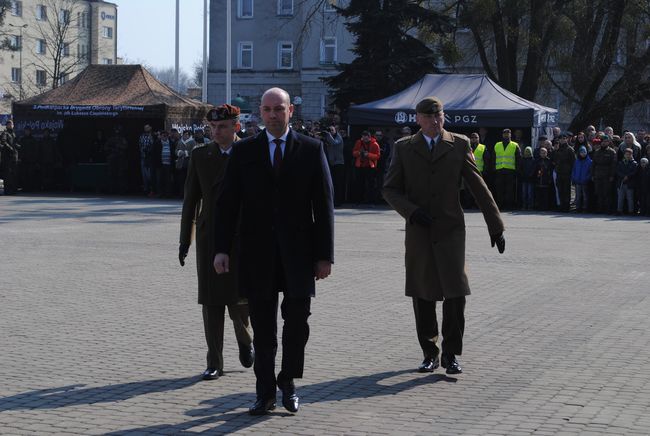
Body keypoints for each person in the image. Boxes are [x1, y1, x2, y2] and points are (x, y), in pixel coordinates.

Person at [213, 87, 334, 415]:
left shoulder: (311, 149)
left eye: (278, 109)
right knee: (264, 331)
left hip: (299, 256)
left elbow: (323, 207)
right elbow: (227, 205)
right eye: (266, 109)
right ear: (260, 112)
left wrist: (325, 256)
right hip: (257, 255)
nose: (272, 114)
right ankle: (264, 392)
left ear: (290, 111)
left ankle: (288, 381)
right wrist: (220, 249)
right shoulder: (245, 152)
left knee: (297, 326)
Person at [383, 96, 505, 377]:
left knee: (456, 292)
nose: (436, 122)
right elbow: (390, 189)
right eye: (429, 117)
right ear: (418, 120)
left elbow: (478, 185)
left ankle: (451, 353)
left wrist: (495, 225)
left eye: (439, 116)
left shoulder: (459, 144)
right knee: (422, 292)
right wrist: (411, 213)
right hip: (419, 231)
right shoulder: (404, 148)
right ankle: (429, 352)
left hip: (451, 230)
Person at [180, 105, 254, 382]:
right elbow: (190, 200)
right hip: (210, 236)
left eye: (222, 127)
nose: (216, 132)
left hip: (242, 234)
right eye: (212, 127)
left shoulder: (249, 152)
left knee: (240, 299)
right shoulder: (201, 155)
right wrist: (184, 240)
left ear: (236, 127)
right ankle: (215, 362)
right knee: (211, 302)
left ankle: (246, 341)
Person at [493, 128, 521, 210]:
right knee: (499, 189)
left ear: (510, 135)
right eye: (504, 133)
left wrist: (517, 170)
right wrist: (494, 169)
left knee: (510, 190)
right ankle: (500, 205)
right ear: (502, 135)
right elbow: (493, 158)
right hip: (499, 170)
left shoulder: (515, 145)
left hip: (510, 171)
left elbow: (519, 159)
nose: (506, 135)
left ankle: (509, 205)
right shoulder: (497, 145)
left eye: (508, 133)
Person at [352, 130, 380, 204]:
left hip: (370, 167)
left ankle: (371, 201)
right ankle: (358, 200)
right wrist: (359, 153)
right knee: (359, 184)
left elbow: (377, 156)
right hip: (359, 166)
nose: (364, 139)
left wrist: (368, 155)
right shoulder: (358, 142)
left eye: (366, 138)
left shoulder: (375, 144)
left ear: (369, 137)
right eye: (363, 137)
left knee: (371, 185)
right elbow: (354, 153)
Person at [592, 135, 617, 214]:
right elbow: (593, 165)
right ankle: (600, 208)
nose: (604, 143)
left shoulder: (612, 152)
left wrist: (612, 175)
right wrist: (592, 175)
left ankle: (607, 209)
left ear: (609, 142)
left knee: (607, 193)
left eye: (606, 141)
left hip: (607, 175)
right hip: (598, 174)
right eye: (603, 141)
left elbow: (613, 165)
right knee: (598, 192)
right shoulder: (597, 152)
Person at [552, 132, 576, 212]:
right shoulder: (558, 150)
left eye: (564, 139)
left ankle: (566, 207)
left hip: (567, 173)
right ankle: (562, 206)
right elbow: (554, 160)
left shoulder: (570, 149)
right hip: (559, 173)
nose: (563, 140)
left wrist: (571, 172)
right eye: (561, 139)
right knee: (560, 190)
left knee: (567, 190)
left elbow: (573, 162)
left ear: (567, 139)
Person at [323, 125, 345, 207]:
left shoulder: (338, 137)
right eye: (329, 130)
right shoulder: (328, 137)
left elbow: (334, 143)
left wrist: (328, 135)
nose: (330, 132)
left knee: (338, 183)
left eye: (332, 130)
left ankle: (339, 201)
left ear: (335, 131)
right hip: (331, 163)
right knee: (331, 183)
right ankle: (332, 200)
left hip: (339, 163)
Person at [104, 126, 129, 194]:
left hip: (120, 159)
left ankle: (121, 190)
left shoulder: (123, 139)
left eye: (118, 130)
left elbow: (125, 147)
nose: (117, 132)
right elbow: (106, 147)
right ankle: (112, 189)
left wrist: (119, 147)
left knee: (121, 174)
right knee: (112, 174)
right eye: (116, 130)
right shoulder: (111, 139)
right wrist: (112, 150)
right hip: (113, 159)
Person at [17, 126, 40, 192]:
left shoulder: (33, 139)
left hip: (31, 161)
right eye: (25, 131)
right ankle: (25, 188)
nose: (27, 132)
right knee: (24, 175)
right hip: (24, 160)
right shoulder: (22, 139)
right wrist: (20, 158)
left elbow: (36, 150)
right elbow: (20, 150)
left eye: (28, 131)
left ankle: (31, 188)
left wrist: (35, 159)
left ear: (30, 131)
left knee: (31, 175)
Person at [616, 148, 638, 215]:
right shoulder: (620, 162)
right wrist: (623, 176)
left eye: (629, 154)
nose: (627, 155)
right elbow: (618, 171)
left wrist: (628, 176)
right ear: (624, 155)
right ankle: (619, 211)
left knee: (630, 198)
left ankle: (631, 211)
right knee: (620, 198)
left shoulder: (634, 163)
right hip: (621, 183)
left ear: (631, 155)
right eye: (626, 154)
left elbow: (634, 172)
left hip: (630, 183)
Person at [174, 130, 195, 198]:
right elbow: (176, 150)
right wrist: (179, 152)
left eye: (186, 134)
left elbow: (194, 151)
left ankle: (188, 194)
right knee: (181, 179)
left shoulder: (192, 142)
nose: (185, 136)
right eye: (184, 134)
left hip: (188, 163)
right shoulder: (180, 141)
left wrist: (186, 153)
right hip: (181, 164)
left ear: (189, 135)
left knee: (188, 180)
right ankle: (181, 193)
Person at [571, 146, 592, 212]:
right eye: (581, 152)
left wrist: (587, 178)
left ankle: (585, 208)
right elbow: (573, 170)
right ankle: (578, 208)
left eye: (584, 152)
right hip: (577, 181)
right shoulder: (576, 161)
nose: (583, 153)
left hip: (585, 181)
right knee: (578, 196)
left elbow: (590, 172)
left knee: (585, 196)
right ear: (579, 153)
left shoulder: (590, 161)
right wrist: (574, 178)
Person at [534, 146, 554, 210]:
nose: (543, 154)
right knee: (539, 194)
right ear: (540, 153)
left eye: (544, 153)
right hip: (539, 180)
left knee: (546, 195)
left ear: (547, 153)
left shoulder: (549, 161)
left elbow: (551, 171)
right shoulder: (537, 161)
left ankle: (545, 207)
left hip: (546, 180)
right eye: (542, 153)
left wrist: (550, 179)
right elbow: (535, 170)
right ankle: (539, 206)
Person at [138, 125, 155, 196]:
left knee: (150, 175)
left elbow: (153, 145)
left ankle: (152, 189)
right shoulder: (142, 136)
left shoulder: (153, 136)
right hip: (144, 157)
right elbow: (140, 145)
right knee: (144, 174)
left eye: (148, 127)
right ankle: (146, 189)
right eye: (145, 127)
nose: (146, 129)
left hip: (150, 158)